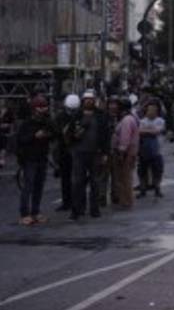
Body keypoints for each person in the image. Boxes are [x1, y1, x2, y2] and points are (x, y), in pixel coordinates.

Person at [64, 91, 110, 221]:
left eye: (91, 99)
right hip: (79, 153)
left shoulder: (100, 116)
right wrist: (74, 137)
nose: (89, 102)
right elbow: (69, 133)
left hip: (95, 153)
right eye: (86, 100)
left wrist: (105, 153)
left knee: (95, 182)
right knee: (78, 182)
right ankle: (77, 210)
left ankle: (94, 209)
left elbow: (106, 135)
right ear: (83, 101)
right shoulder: (76, 116)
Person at [15, 95, 55, 225]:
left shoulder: (46, 122)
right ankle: (25, 213)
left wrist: (48, 134)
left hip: (41, 157)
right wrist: (34, 136)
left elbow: (54, 134)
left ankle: (35, 212)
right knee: (28, 186)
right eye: (40, 107)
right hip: (30, 158)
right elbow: (20, 140)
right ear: (34, 109)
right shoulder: (27, 124)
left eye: (44, 107)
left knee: (38, 186)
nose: (43, 110)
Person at [111, 98, 139, 209]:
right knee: (126, 177)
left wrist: (121, 152)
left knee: (124, 178)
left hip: (125, 153)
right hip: (130, 152)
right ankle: (126, 200)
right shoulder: (131, 118)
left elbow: (125, 138)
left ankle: (126, 201)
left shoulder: (127, 120)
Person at [55, 94, 80, 212]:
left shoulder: (80, 116)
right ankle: (67, 202)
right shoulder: (60, 117)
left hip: (76, 150)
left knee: (77, 178)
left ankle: (76, 201)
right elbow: (57, 132)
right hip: (65, 151)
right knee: (65, 178)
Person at [136, 102, 165, 198]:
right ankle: (143, 189)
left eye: (153, 110)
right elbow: (139, 131)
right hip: (144, 150)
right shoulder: (142, 121)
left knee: (157, 171)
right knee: (142, 171)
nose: (151, 112)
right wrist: (150, 131)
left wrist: (146, 131)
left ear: (157, 112)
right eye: (149, 110)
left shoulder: (160, 120)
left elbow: (157, 131)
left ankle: (157, 188)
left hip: (157, 150)